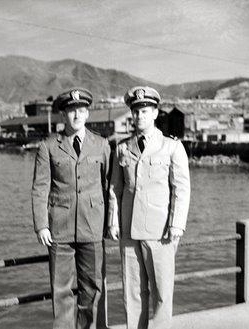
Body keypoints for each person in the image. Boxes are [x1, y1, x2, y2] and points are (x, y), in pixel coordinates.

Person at [108, 86, 190, 329]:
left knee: (162, 292)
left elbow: (181, 188)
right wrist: (113, 221)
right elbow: (115, 189)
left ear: (155, 113)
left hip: (160, 231)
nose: (139, 116)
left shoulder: (171, 146)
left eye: (145, 110)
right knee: (132, 293)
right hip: (129, 230)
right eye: (136, 111)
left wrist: (177, 224)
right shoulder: (122, 148)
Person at [31, 87, 110, 329]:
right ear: (63, 115)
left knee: (93, 289)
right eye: (71, 111)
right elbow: (39, 188)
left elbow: (109, 187)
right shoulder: (48, 147)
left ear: (87, 114)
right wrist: (41, 225)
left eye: (81, 110)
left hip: (93, 227)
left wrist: (110, 223)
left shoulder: (102, 145)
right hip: (59, 229)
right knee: (61, 291)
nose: (76, 115)